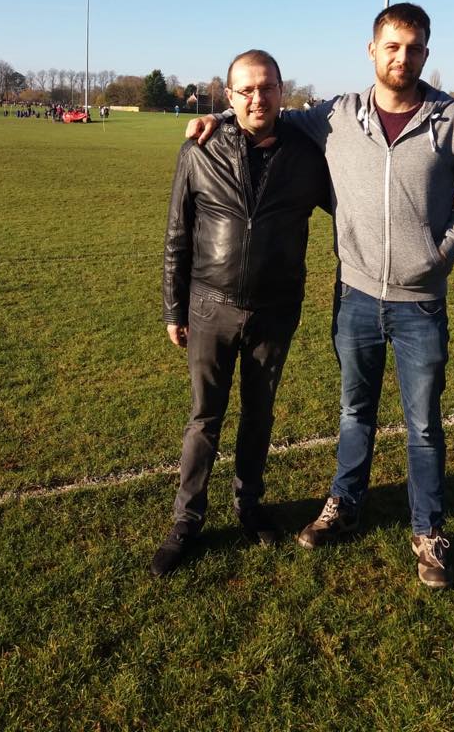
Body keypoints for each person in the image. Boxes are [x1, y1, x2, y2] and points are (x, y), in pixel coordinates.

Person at [186, 4, 454, 588]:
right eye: (392, 46)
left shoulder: (452, 119)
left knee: (423, 424)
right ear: (372, 51)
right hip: (355, 296)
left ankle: (428, 531)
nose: (403, 57)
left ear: (426, 54)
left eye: (414, 47)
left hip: (420, 302)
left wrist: (443, 249)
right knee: (355, 412)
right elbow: (263, 107)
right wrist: (216, 117)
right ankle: (344, 505)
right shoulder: (337, 115)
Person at [152, 49, 330, 576]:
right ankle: (187, 520)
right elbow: (177, 236)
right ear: (229, 96)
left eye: (267, 87)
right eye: (246, 90)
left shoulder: (307, 154)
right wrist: (174, 308)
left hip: (275, 311)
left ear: (282, 91)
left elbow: (355, 209)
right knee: (204, 417)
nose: (258, 98)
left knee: (259, 414)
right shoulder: (199, 149)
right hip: (210, 307)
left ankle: (249, 505)